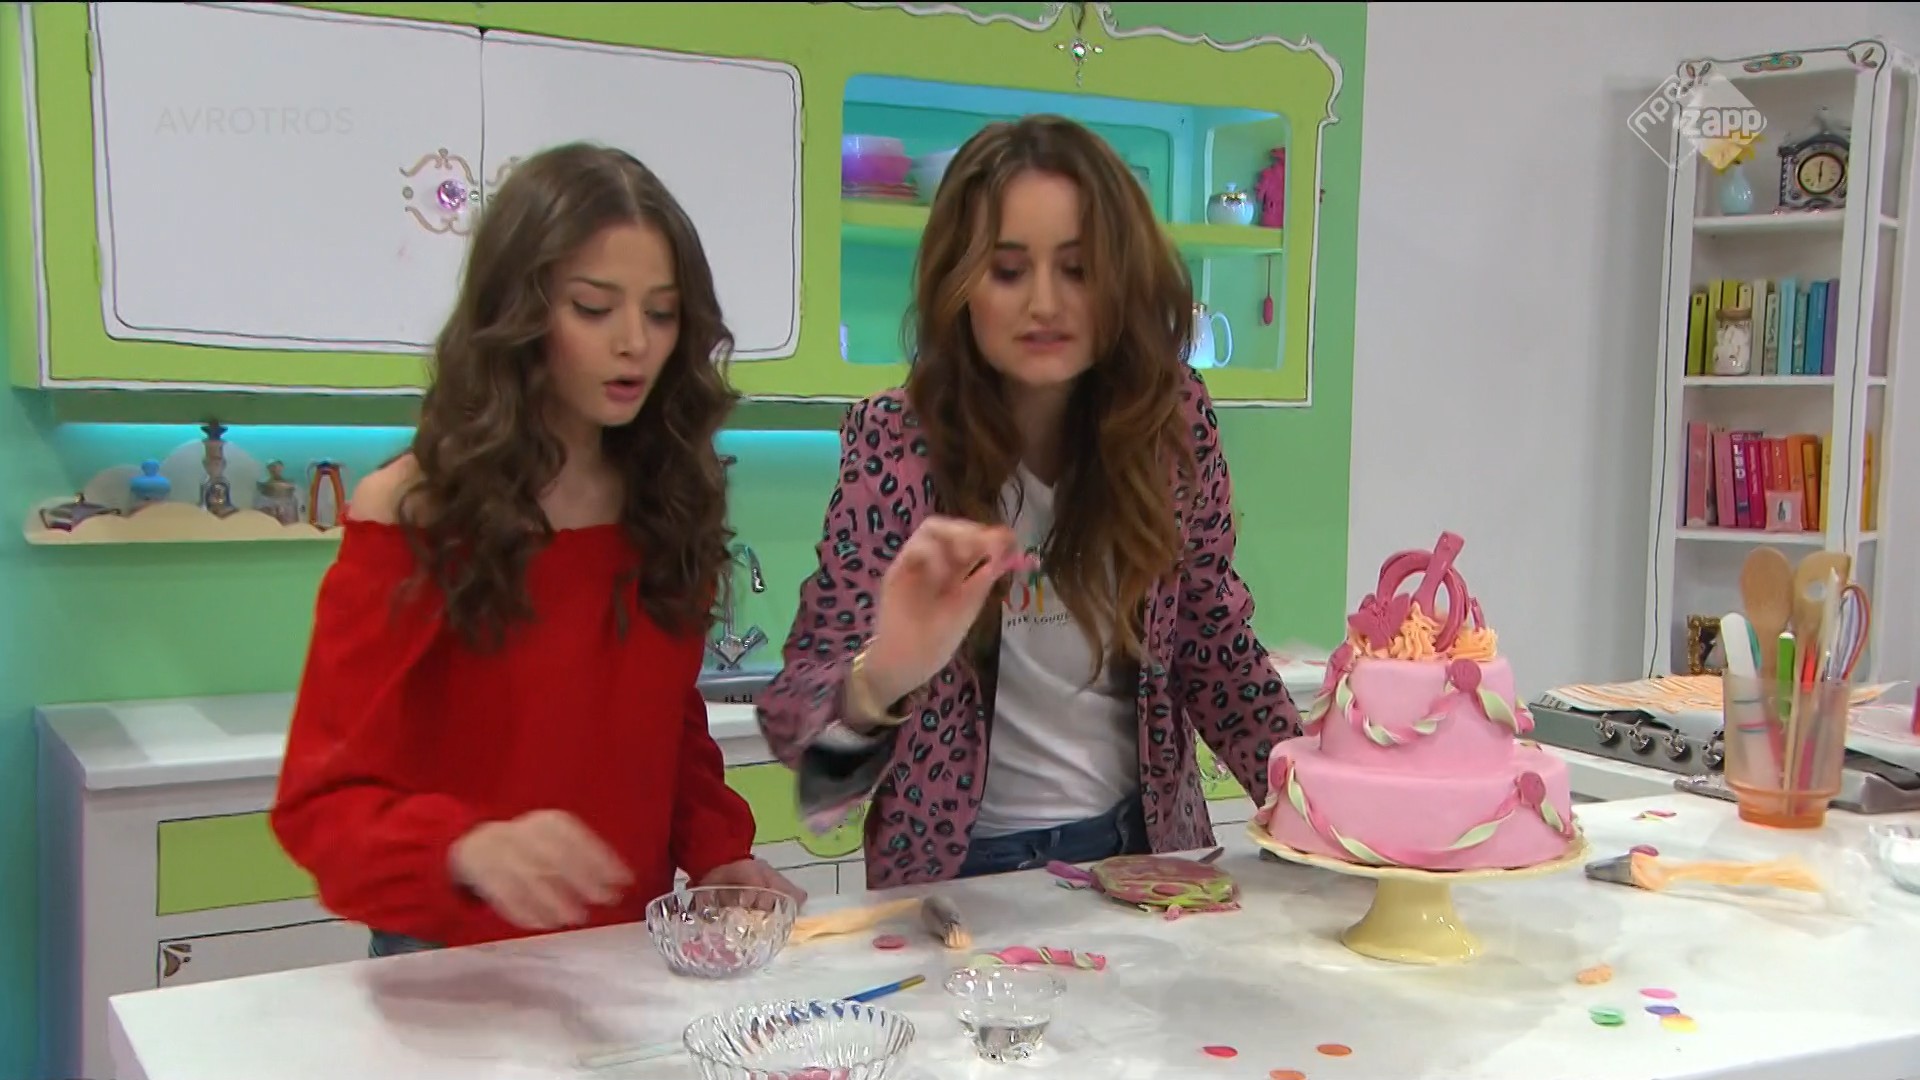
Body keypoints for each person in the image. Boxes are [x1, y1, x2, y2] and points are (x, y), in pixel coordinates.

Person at [271, 142, 805, 958]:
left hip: (623, 960)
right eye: (594, 308)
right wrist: (465, 850)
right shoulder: (417, 513)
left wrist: (718, 854)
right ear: (518, 314)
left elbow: (667, 728)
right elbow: (322, 804)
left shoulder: (664, 498)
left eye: (662, 314)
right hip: (450, 967)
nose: (635, 342)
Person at [755, 115, 1303, 889]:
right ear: (959, 283)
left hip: (1148, 851)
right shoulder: (899, 444)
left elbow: (1212, 646)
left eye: (1078, 269)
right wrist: (884, 674)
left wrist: (1320, 810)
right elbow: (804, 745)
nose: (1045, 302)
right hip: (961, 875)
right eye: (1009, 270)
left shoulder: (1170, 423)